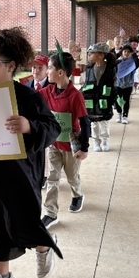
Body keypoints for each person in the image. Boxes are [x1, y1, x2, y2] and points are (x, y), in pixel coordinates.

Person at [0, 28, 62, 278]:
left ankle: (43, 246)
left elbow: (53, 128)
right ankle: (3, 276)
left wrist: (28, 125)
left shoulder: (27, 97)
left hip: (22, 171)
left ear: (10, 66)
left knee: (23, 219)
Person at [41, 49, 90, 230]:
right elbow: (32, 98)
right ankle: (50, 213)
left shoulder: (75, 95)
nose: (47, 71)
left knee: (71, 176)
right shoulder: (48, 91)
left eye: (50, 68)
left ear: (60, 72)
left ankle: (77, 195)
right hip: (54, 144)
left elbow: (84, 122)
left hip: (71, 145)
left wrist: (84, 147)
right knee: (52, 178)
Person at [82, 41, 116, 152]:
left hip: (104, 99)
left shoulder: (111, 69)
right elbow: (86, 83)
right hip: (91, 100)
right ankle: (96, 141)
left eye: (91, 53)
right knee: (94, 123)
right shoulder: (89, 69)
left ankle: (105, 140)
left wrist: (115, 99)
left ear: (101, 55)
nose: (89, 56)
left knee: (104, 122)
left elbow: (114, 85)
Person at [113, 44, 139, 125]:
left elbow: (138, 63)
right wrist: (118, 54)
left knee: (126, 100)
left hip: (128, 85)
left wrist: (134, 54)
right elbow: (112, 62)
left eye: (128, 52)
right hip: (118, 84)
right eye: (125, 51)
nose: (126, 53)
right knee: (117, 100)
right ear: (122, 52)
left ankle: (125, 115)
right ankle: (119, 113)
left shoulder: (132, 63)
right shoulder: (118, 62)